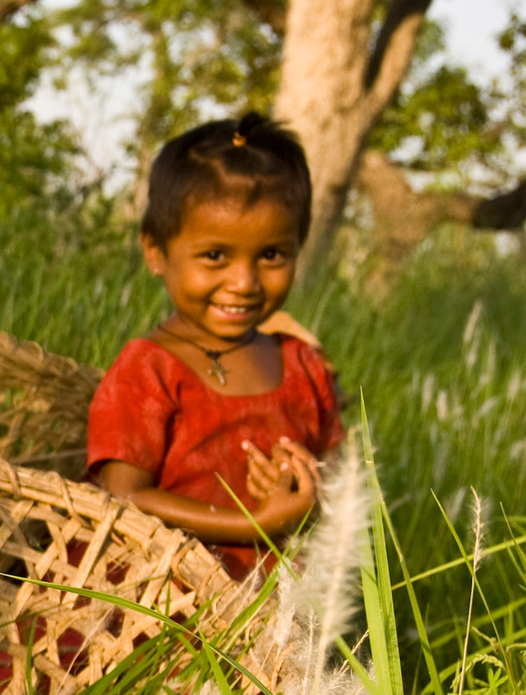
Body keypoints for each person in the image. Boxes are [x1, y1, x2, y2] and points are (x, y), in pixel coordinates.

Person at [85, 112, 345, 576]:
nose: (244, 282)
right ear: (155, 251)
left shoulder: (305, 366)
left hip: (271, 618)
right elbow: (121, 498)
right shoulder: (148, 371)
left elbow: (344, 486)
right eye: (214, 256)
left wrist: (304, 492)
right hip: (158, 602)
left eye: (271, 255)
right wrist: (253, 525)